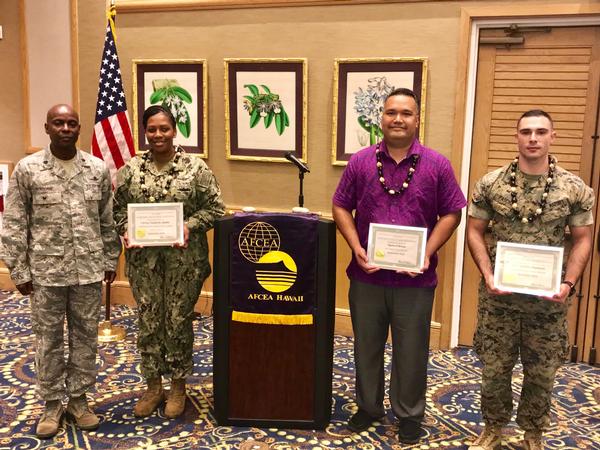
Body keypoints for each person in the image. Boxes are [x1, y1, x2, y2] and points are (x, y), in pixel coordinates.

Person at [332, 88, 466, 444]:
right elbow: (340, 206)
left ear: (417, 120)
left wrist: (427, 253)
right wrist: (356, 246)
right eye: (391, 112)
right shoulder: (360, 161)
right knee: (366, 346)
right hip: (367, 276)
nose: (398, 119)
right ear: (382, 118)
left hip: (416, 281)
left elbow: (452, 212)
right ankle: (369, 407)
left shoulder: (437, 165)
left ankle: (408, 413)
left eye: (406, 113)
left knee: (411, 350)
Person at [466, 110, 594, 450]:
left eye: (540, 132)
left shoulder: (574, 188)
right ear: (517, 136)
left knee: (541, 374)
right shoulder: (490, 183)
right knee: (494, 371)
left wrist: (567, 284)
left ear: (552, 136)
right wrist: (488, 274)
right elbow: (475, 231)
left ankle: (533, 434)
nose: (533, 138)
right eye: (526, 131)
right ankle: (493, 428)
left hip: (547, 304)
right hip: (498, 300)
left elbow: (583, 238)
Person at [0, 104, 121, 438]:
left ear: (79, 129)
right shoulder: (28, 169)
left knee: (85, 338)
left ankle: (79, 400)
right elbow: (13, 223)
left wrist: (110, 260)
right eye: (58, 123)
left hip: (87, 271)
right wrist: (19, 270)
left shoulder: (96, 168)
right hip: (46, 274)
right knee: (48, 340)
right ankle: (52, 403)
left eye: (71, 123)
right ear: (47, 127)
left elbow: (106, 219)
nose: (65, 128)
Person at [113, 105, 225, 419]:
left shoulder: (195, 168)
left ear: (174, 130)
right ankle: (152, 386)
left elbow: (216, 209)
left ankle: (178, 386)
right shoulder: (131, 169)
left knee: (178, 323)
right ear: (145, 132)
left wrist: (188, 226)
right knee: (149, 322)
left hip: (184, 264)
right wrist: (126, 230)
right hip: (144, 264)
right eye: (152, 129)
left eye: (164, 128)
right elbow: (116, 211)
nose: (158, 135)